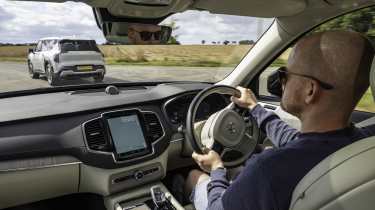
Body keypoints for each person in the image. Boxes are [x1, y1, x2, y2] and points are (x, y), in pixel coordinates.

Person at [185, 31, 375, 210]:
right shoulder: (367, 140)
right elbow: (300, 143)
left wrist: (216, 168)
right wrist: (254, 107)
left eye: (285, 74)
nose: (281, 81)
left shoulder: (269, 170)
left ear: (310, 90)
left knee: (195, 177)